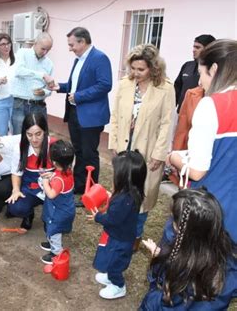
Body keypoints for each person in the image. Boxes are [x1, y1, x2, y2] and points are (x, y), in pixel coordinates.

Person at [167, 39, 237, 242]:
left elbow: (197, 170)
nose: (199, 82)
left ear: (214, 69)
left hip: (211, 204)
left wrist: (173, 157)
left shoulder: (211, 105)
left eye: (201, 73)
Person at [108, 44, 175, 250]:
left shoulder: (165, 88)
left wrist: (159, 154)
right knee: (122, 191)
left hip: (148, 151)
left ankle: (135, 235)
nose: (135, 73)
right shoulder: (124, 84)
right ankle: (118, 230)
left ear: (153, 68)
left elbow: (166, 122)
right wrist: (114, 143)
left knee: (142, 195)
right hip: (124, 148)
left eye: (141, 69)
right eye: (133, 68)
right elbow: (115, 115)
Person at [140, 188, 237, 309]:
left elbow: (164, 304)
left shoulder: (182, 274)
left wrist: (160, 265)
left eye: (173, 219)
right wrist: (161, 254)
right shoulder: (228, 254)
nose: (170, 222)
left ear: (182, 230)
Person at [50, 27, 112, 196]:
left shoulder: (100, 58)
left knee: (89, 154)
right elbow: (76, 85)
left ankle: (91, 192)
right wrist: (59, 87)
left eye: (72, 45)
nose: (70, 49)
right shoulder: (79, 59)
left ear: (82, 41)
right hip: (74, 113)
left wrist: (79, 97)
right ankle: (78, 188)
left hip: (90, 117)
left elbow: (105, 85)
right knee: (78, 152)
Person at [88, 150, 147, 299]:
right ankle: (110, 276)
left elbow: (112, 220)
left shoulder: (123, 200)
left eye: (116, 173)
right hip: (123, 235)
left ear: (123, 177)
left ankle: (118, 285)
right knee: (112, 259)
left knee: (115, 263)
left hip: (120, 238)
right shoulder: (131, 193)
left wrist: (98, 217)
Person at [6, 113, 55, 230]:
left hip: (53, 189)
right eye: (29, 134)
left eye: (38, 134)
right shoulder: (20, 147)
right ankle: (28, 215)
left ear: (45, 131)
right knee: (15, 207)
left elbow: (67, 172)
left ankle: (51, 216)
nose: (34, 139)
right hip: (31, 188)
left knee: (55, 222)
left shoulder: (55, 146)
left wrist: (55, 175)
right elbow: (16, 173)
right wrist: (16, 190)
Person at [40, 140, 75, 264]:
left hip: (58, 211)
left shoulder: (58, 180)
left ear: (54, 162)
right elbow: (59, 176)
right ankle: (52, 243)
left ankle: (56, 252)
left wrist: (45, 181)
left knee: (54, 231)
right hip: (66, 208)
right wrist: (52, 174)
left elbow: (51, 194)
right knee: (53, 229)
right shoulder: (68, 171)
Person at [11, 32, 54, 134]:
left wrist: (44, 92)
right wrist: (41, 75)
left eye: (48, 50)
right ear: (35, 43)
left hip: (38, 105)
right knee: (19, 137)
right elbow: (18, 71)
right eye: (43, 48)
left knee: (41, 137)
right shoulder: (22, 53)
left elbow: (50, 87)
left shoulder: (49, 63)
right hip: (20, 104)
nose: (45, 52)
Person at [174, 34, 215, 112]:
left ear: (208, 49)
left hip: (201, 114)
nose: (193, 50)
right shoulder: (187, 65)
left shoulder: (214, 70)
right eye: (194, 47)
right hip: (182, 114)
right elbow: (176, 90)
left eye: (198, 47)